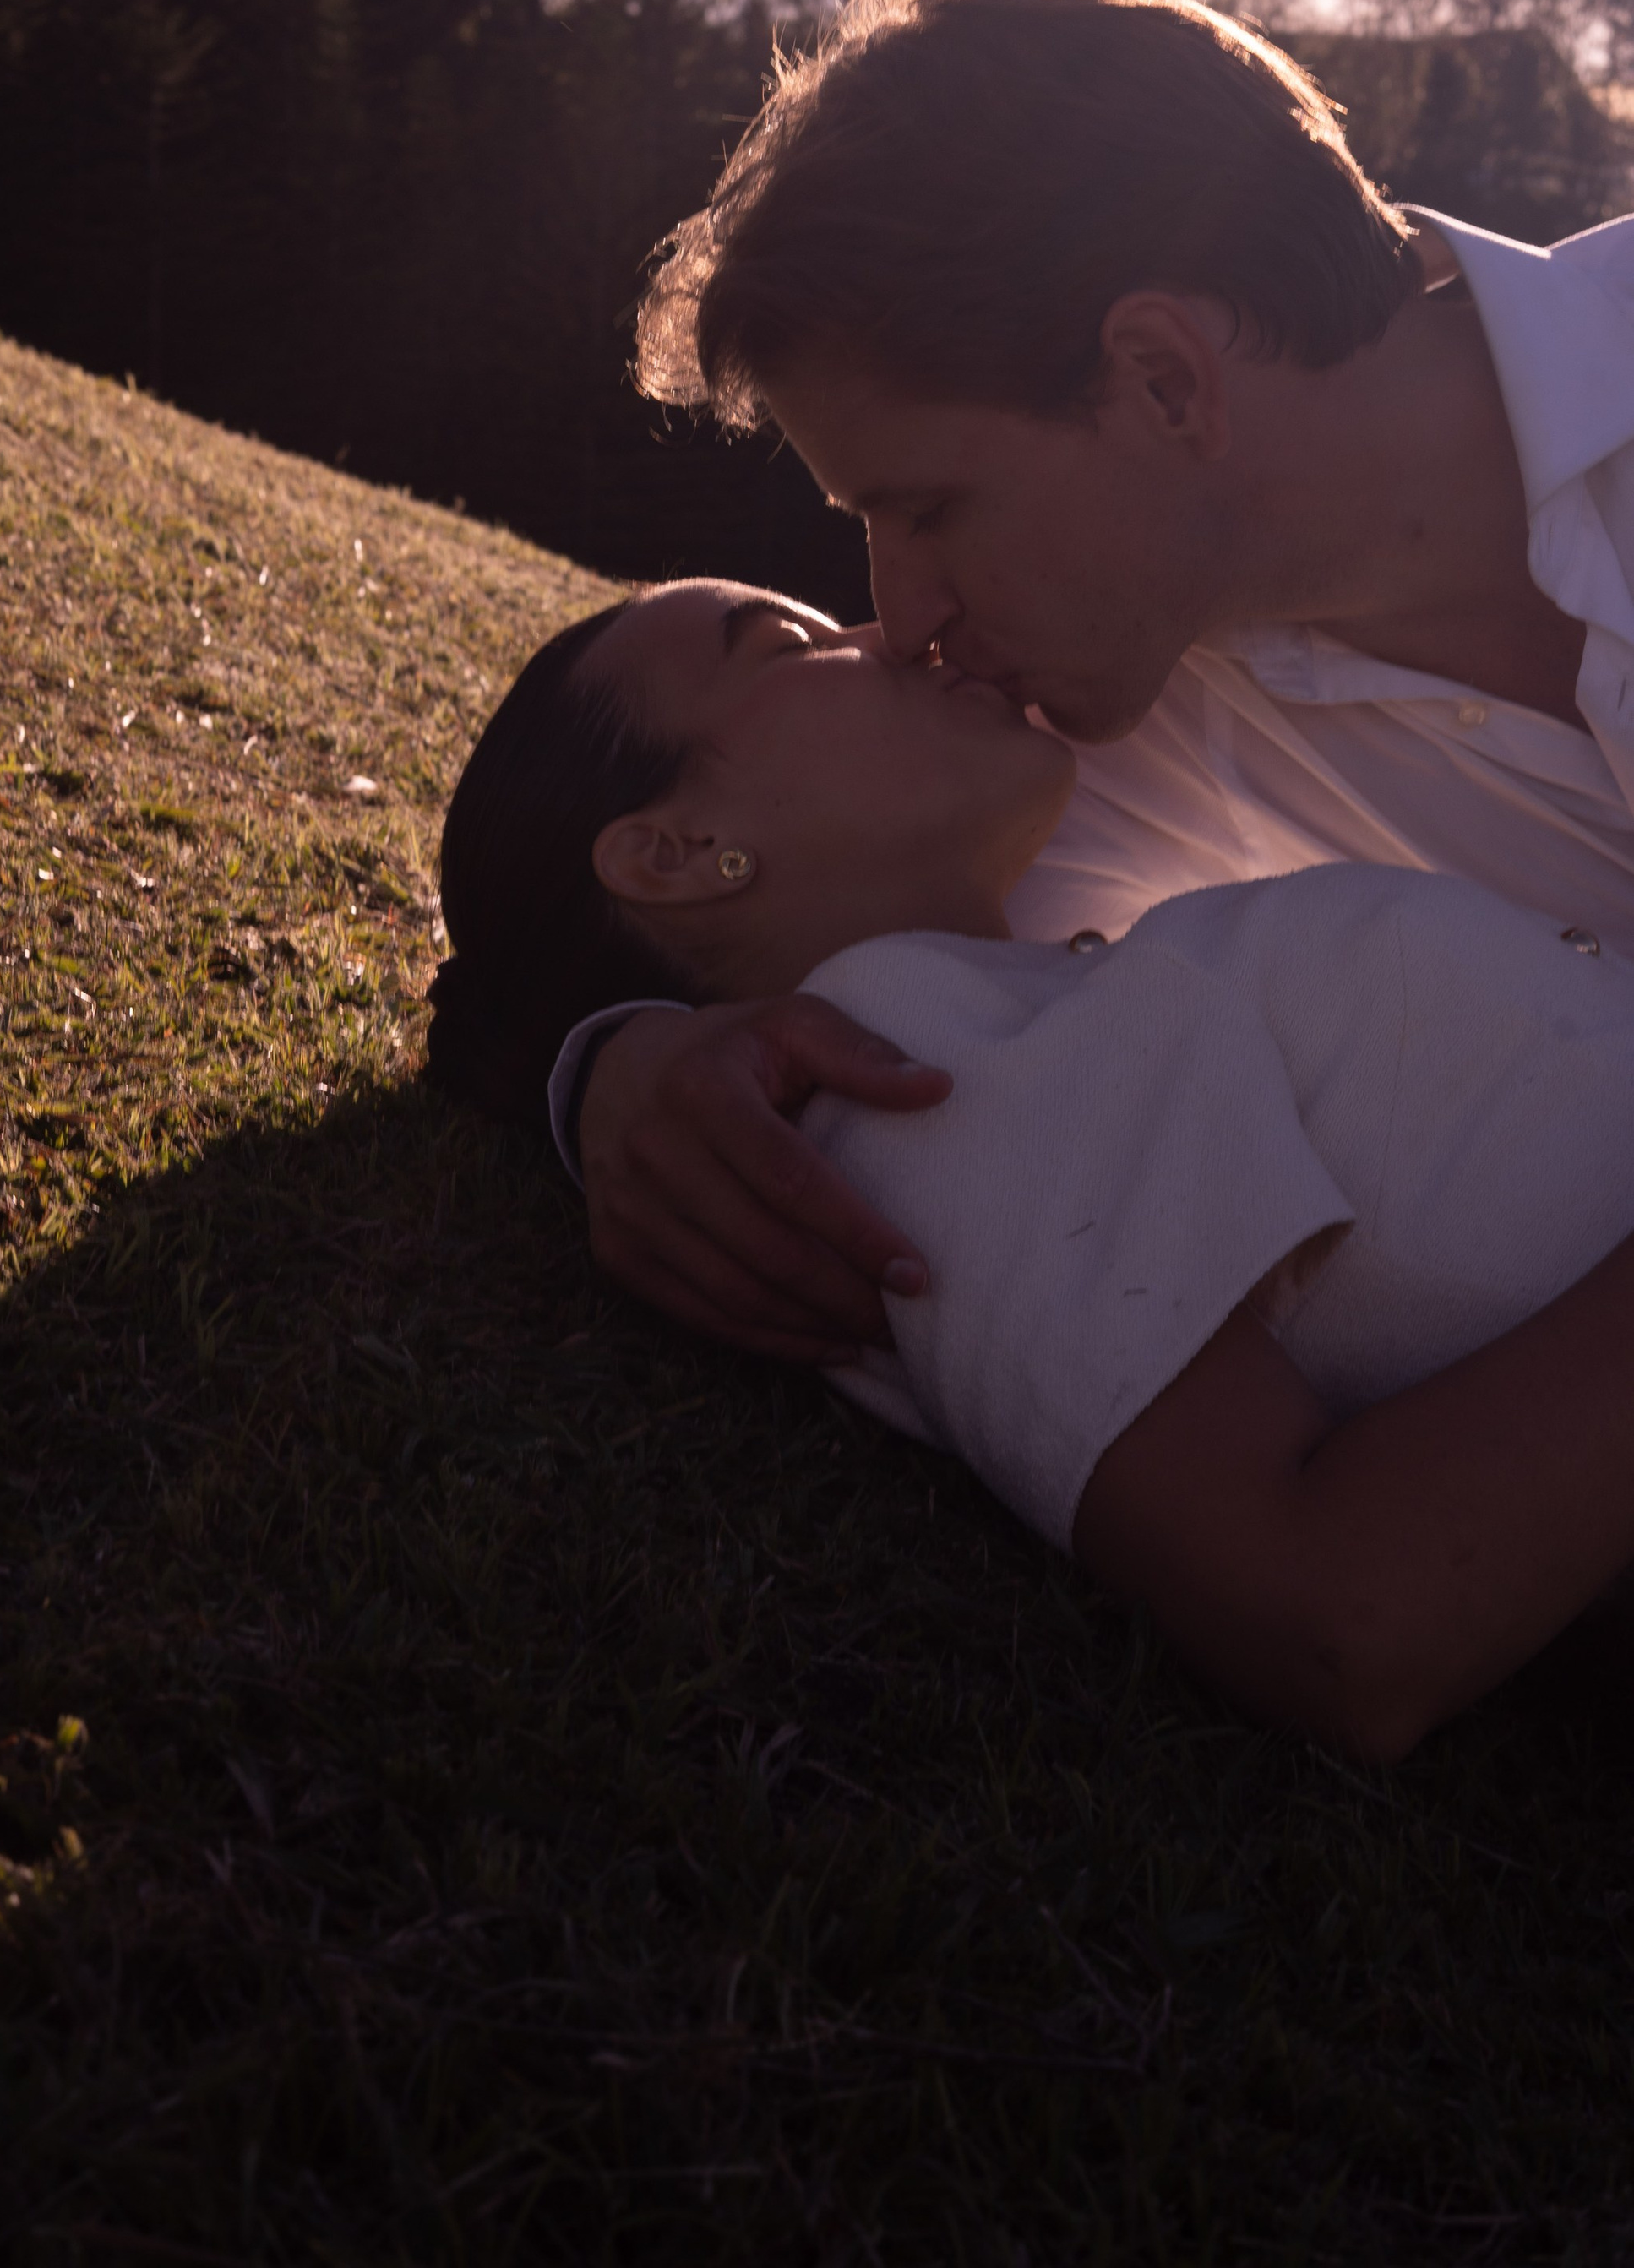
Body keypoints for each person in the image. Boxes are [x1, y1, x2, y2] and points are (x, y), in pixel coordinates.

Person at [569, 0, 1634, 1373]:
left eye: (927, 510)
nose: (906, 616)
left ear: (1165, 381)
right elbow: (767, 891)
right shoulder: (1130, 689)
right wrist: (614, 1065)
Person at [432, 577, 1634, 1763]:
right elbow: (1340, 1616)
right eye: (789, 642)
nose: (893, 633)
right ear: (680, 850)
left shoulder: (997, 1002)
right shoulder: (902, 1070)